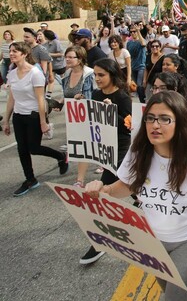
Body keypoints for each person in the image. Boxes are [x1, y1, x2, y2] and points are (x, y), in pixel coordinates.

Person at [85, 91, 187, 301]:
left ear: (180, 123)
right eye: (150, 118)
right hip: (153, 241)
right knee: (167, 286)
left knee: (173, 297)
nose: (155, 125)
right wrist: (103, 191)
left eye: (164, 119)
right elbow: (127, 185)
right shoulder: (138, 152)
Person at [79, 58, 132, 265]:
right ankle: (141, 198)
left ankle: (100, 241)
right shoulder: (96, 94)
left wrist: (114, 112)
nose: (98, 79)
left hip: (120, 149)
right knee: (128, 185)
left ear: (112, 74)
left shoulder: (122, 96)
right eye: (96, 75)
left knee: (102, 192)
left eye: (102, 75)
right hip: (104, 149)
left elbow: (130, 126)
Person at [2, 42, 68, 197]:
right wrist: (6, 120)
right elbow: (12, 98)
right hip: (18, 116)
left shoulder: (35, 73)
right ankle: (30, 179)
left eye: (15, 51)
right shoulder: (11, 74)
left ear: (24, 54)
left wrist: (43, 121)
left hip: (33, 115)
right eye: (10, 51)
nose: (11, 54)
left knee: (34, 148)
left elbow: (40, 100)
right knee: (22, 149)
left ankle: (60, 156)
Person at [57, 46, 97, 187]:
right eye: (66, 57)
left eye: (71, 57)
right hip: (74, 118)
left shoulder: (91, 74)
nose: (67, 59)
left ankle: (82, 178)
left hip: (91, 116)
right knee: (83, 147)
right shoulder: (66, 75)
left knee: (89, 145)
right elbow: (66, 94)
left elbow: (98, 94)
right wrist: (59, 103)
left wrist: (84, 98)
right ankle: (80, 180)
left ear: (80, 59)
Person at [127, 26, 147, 103]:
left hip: (141, 66)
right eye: (131, 32)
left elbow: (143, 43)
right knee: (135, 86)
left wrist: (138, 31)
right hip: (133, 66)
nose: (132, 33)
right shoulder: (129, 43)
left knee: (139, 85)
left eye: (134, 31)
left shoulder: (141, 40)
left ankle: (143, 101)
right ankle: (141, 99)